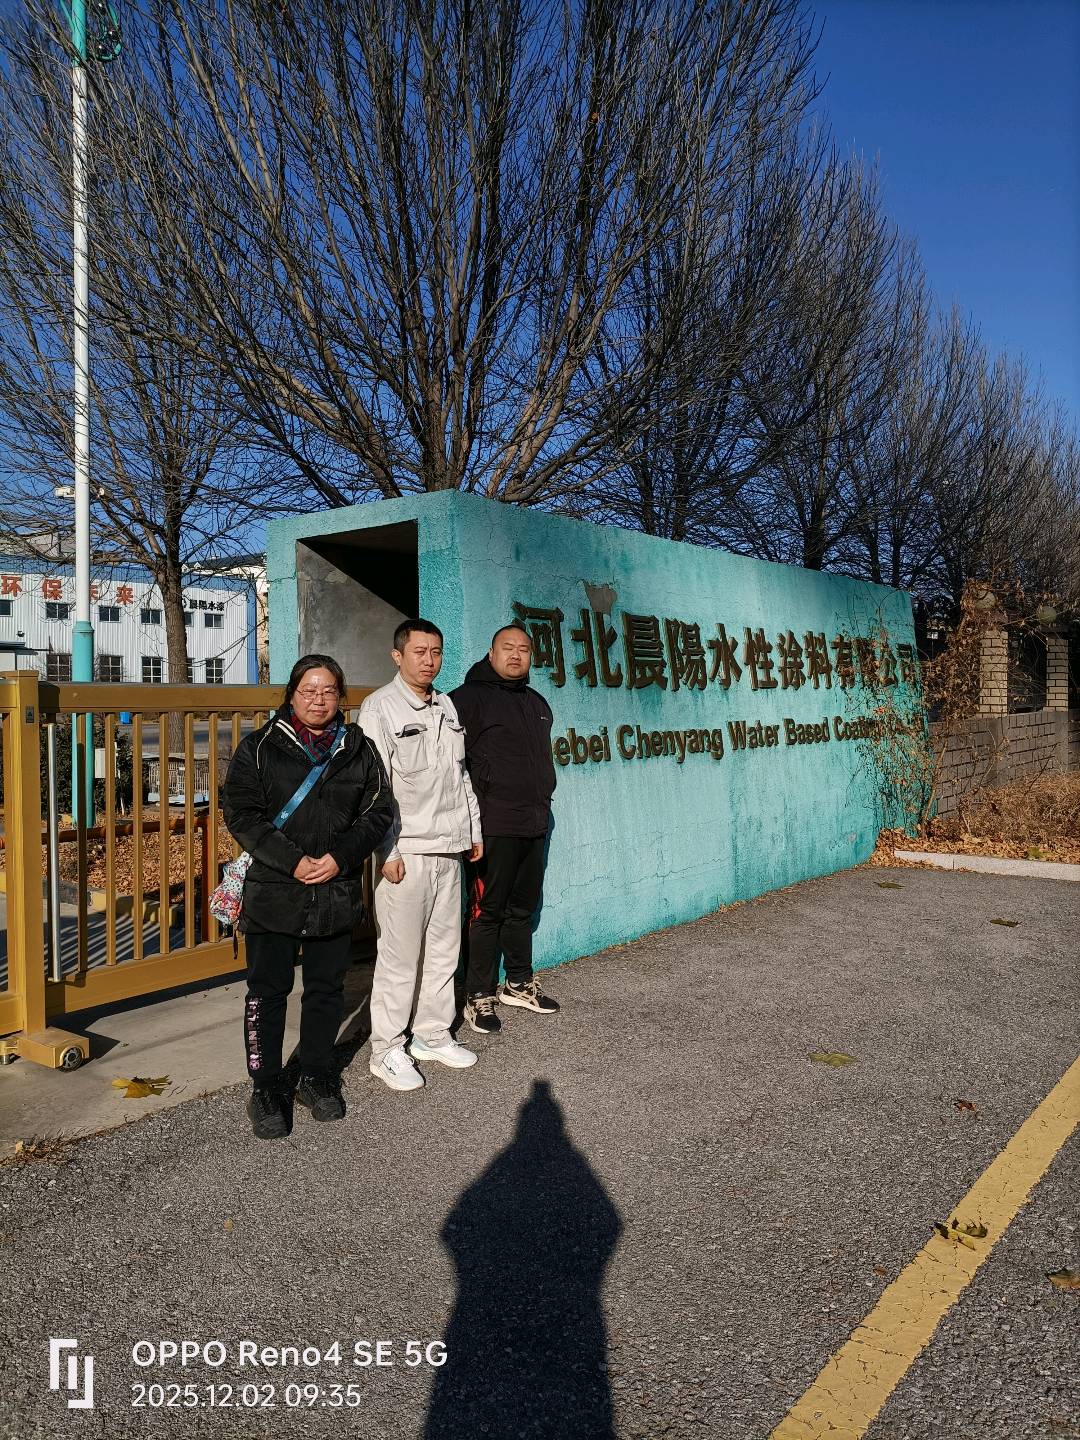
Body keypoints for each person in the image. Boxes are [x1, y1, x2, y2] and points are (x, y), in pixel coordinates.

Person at [222, 654, 392, 1139]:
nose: (319, 699)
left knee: (326, 989)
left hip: (335, 890)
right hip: (275, 890)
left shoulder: (358, 748)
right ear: (291, 694)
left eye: (329, 690)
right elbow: (241, 813)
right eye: (309, 690)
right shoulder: (259, 747)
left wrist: (340, 857)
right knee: (267, 991)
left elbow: (378, 811)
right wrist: (292, 860)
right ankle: (265, 1086)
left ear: (341, 697)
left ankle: (316, 1075)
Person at [359, 619, 483, 1090]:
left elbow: (460, 774)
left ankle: (432, 1033)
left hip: (449, 847)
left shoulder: (445, 705)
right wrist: (387, 849)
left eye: (436, 652)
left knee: (444, 950)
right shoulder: (380, 708)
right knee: (399, 956)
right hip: (407, 851)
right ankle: (386, 1049)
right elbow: (375, 787)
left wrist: (472, 828)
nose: (429, 660)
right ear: (398, 656)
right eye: (419, 652)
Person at [451, 623, 560, 1035]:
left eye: (524, 649)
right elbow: (454, 767)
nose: (516, 655)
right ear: (491, 653)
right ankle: (478, 994)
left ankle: (518, 982)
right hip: (492, 824)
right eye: (507, 648)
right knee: (486, 910)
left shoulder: (537, 703)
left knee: (522, 907)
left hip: (534, 821)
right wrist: (468, 825)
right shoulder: (466, 699)